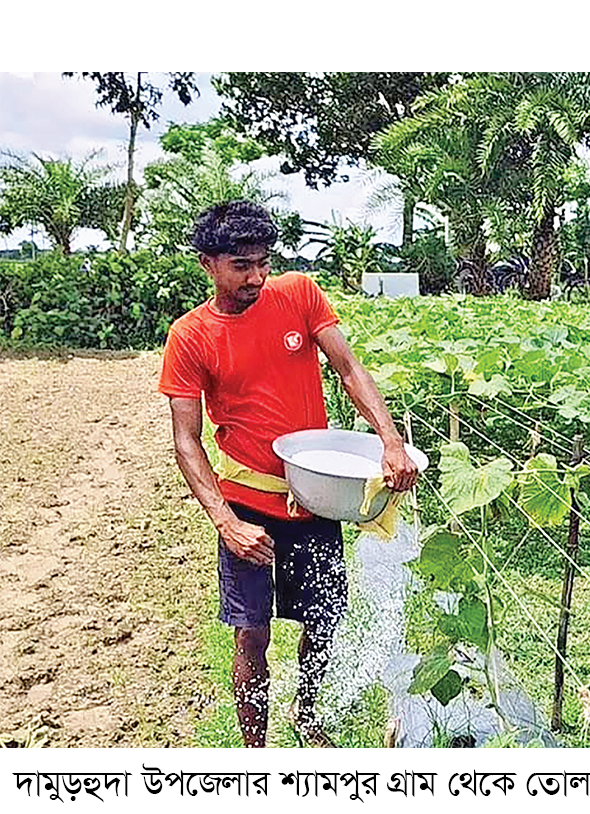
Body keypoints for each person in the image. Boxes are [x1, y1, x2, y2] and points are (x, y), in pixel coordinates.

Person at [158, 201, 418, 748]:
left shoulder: (298, 295)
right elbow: (187, 441)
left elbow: (349, 369)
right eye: (241, 266)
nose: (256, 277)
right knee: (250, 633)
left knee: (321, 622)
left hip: (314, 497)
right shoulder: (191, 336)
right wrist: (226, 523)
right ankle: (255, 753)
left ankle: (307, 717)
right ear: (208, 263)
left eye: (263, 262)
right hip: (247, 505)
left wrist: (391, 442)